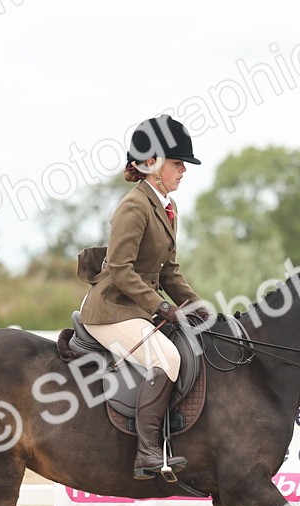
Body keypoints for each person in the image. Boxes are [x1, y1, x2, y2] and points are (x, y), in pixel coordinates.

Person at [79, 115, 207, 480]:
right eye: (177, 163)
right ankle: (147, 451)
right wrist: (162, 307)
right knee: (167, 357)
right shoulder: (134, 206)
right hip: (111, 311)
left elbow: (169, 272)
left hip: (137, 309)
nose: (183, 170)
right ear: (151, 163)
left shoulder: (167, 207)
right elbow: (121, 270)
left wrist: (200, 308)